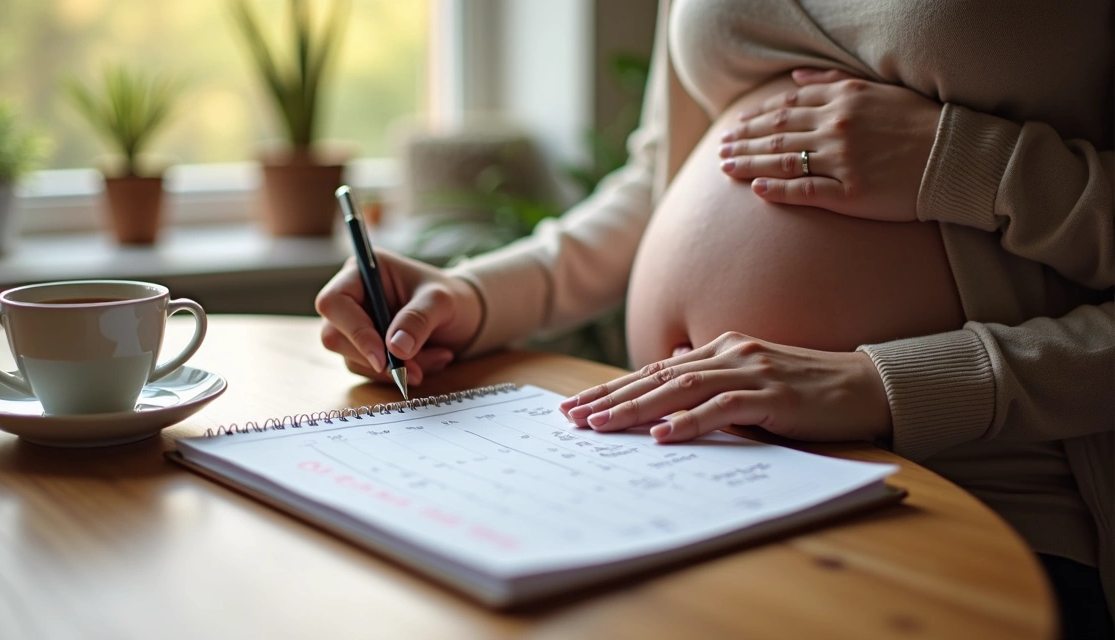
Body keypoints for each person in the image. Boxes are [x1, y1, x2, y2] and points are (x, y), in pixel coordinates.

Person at [315, 1, 1113, 635]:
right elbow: (660, 178)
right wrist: (477, 296)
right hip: (675, 473)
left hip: (979, 504)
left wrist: (978, 175)